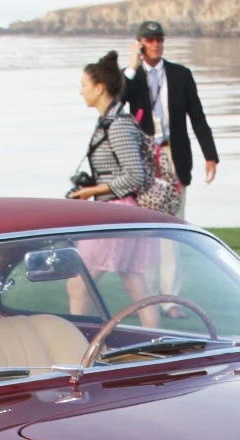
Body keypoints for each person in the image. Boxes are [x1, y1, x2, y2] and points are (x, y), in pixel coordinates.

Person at [65, 51, 159, 327]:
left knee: (78, 284)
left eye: (84, 85)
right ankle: (158, 346)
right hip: (122, 212)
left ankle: (78, 348)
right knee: (134, 282)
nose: (81, 91)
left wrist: (90, 191)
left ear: (99, 87)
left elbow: (135, 176)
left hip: (117, 212)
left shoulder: (118, 125)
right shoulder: (111, 120)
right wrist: (90, 188)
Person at [123, 20, 218, 218]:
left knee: (176, 216)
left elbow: (197, 117)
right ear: (140, 44)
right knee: (146, 216)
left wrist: (210, 155)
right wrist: (132, 67)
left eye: (159, 39)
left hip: (175, 152)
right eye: (149, 40)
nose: (155, 44)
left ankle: (173, 250)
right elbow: (115, 102)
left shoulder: (181, 75)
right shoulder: (132, 77)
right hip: (146, 154)